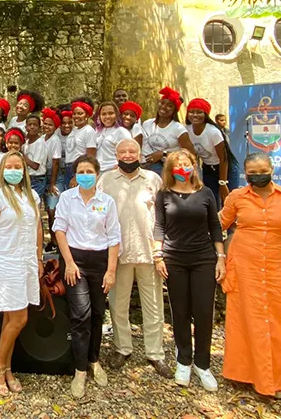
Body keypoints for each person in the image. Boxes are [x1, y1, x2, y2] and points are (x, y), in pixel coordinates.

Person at [219, 152, 281, 399]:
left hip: (276, 267)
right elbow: (219, 225)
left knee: (277, 321)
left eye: (262, 170)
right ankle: (243, 374)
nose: (258, 175)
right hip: (244, 266)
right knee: (244, 319)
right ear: (245, 174)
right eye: (252, 173)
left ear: (272, 169)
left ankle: (277, 378)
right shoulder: (236, 197)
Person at [98, 139, 171, 378]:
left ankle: (155, 352)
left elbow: (164, 214)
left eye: (133, 151)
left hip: (149, 252)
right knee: (119, 305)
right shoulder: (106, 181)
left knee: (153, 305)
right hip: (117, 254)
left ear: (140, 154)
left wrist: (162, 249)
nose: (128, 155)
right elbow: (98, 216)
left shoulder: (153, 180)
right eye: (123, 151)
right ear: (116, 154)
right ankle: (122, 348)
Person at [153, 150, 224, 392]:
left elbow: (214, 225)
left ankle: (203, 364)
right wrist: (158, 256)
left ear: (194, 166)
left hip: (204, 258)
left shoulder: (205, 193)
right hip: (174, 259)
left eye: (186, 164)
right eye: (177, 165)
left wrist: (221, 257)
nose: (182, 168)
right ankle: (184, 360)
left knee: (204, 312)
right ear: (170, 170)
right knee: (180, 312)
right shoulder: (163, 194)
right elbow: (159, 226)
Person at [54, 155, 121, 399]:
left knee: (97, 313)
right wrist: (69, 263)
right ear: (75, 175)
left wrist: (111, 271)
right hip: (75, 261)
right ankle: (80, 370)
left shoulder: (107, 201)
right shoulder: (66, 198)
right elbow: (59, 230)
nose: (85, 175)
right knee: (81, 314)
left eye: (89, 171)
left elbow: (114, 237)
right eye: (80, 171)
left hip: (101, 262)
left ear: (96, 174)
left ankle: (94, 360)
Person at [0, 151, 43, 395]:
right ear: (1, 170)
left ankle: (6, 367)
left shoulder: (31, 195)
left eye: (19, 166)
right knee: (20, 319)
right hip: (5, 263)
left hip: (27, 261)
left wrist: (39, 258)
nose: (15, 170)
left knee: (11, 319)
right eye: (10, 166)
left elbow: (38, 227)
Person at [185, 98, 230, 206]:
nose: (195, 115)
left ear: (205, 115)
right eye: (191, 111)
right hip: (208, 167)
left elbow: (223, 159)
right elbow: (192, 154)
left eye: (199, 112)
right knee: (212, 199)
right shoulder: (186, 129)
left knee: (228, 200)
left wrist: (223, 183)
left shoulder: (213, 132)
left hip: (225, 168)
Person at [141, 87, 195, 174]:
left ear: (174, 110)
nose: (164, 107)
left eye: (170, 106)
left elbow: (190, 154)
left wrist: (163, 154)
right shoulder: (147, 124)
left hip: (174, 167)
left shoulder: (178, 129)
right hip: (152, 166)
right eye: (162, 103)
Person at [41, 107, 64, 251]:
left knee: (53, 211)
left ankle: (57, 241)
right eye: (45, 123)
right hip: (43, 175)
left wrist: (52, 183)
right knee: (48, 211)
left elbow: (55, 163)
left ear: (55, 127)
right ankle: (52, 241)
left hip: (54, 176)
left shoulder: (55, 140)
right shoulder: (42, 139)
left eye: (50, 124)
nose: (47, 126)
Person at [63, 99, 96, 188]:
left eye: (80, 113)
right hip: (68, 168)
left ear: (87, 115)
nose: (76, 116)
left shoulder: (88, 131)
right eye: (74, 113)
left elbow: (91, 156)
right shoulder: (74, 130)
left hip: (80, 168)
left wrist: (77, 176)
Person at [94, 101, 132, 173]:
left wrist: (120, 166)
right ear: (99, 116)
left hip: (113, 171)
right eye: (103, 114)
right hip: (98, 171)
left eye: (111, 113)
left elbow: (130, 152)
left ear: (117, 115)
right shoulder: (97, 131)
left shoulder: (122, 132)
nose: (107, 116)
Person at [22, 114, 48, 199]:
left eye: (35, 125)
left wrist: (21, 154)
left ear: (40, 128)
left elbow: (35, 166)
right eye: (30, 125)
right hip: (27, 178)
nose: (32, 127)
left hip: (37, 179)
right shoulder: (26, 143)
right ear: (26, 128)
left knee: (34, 204)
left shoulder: (40, 143)